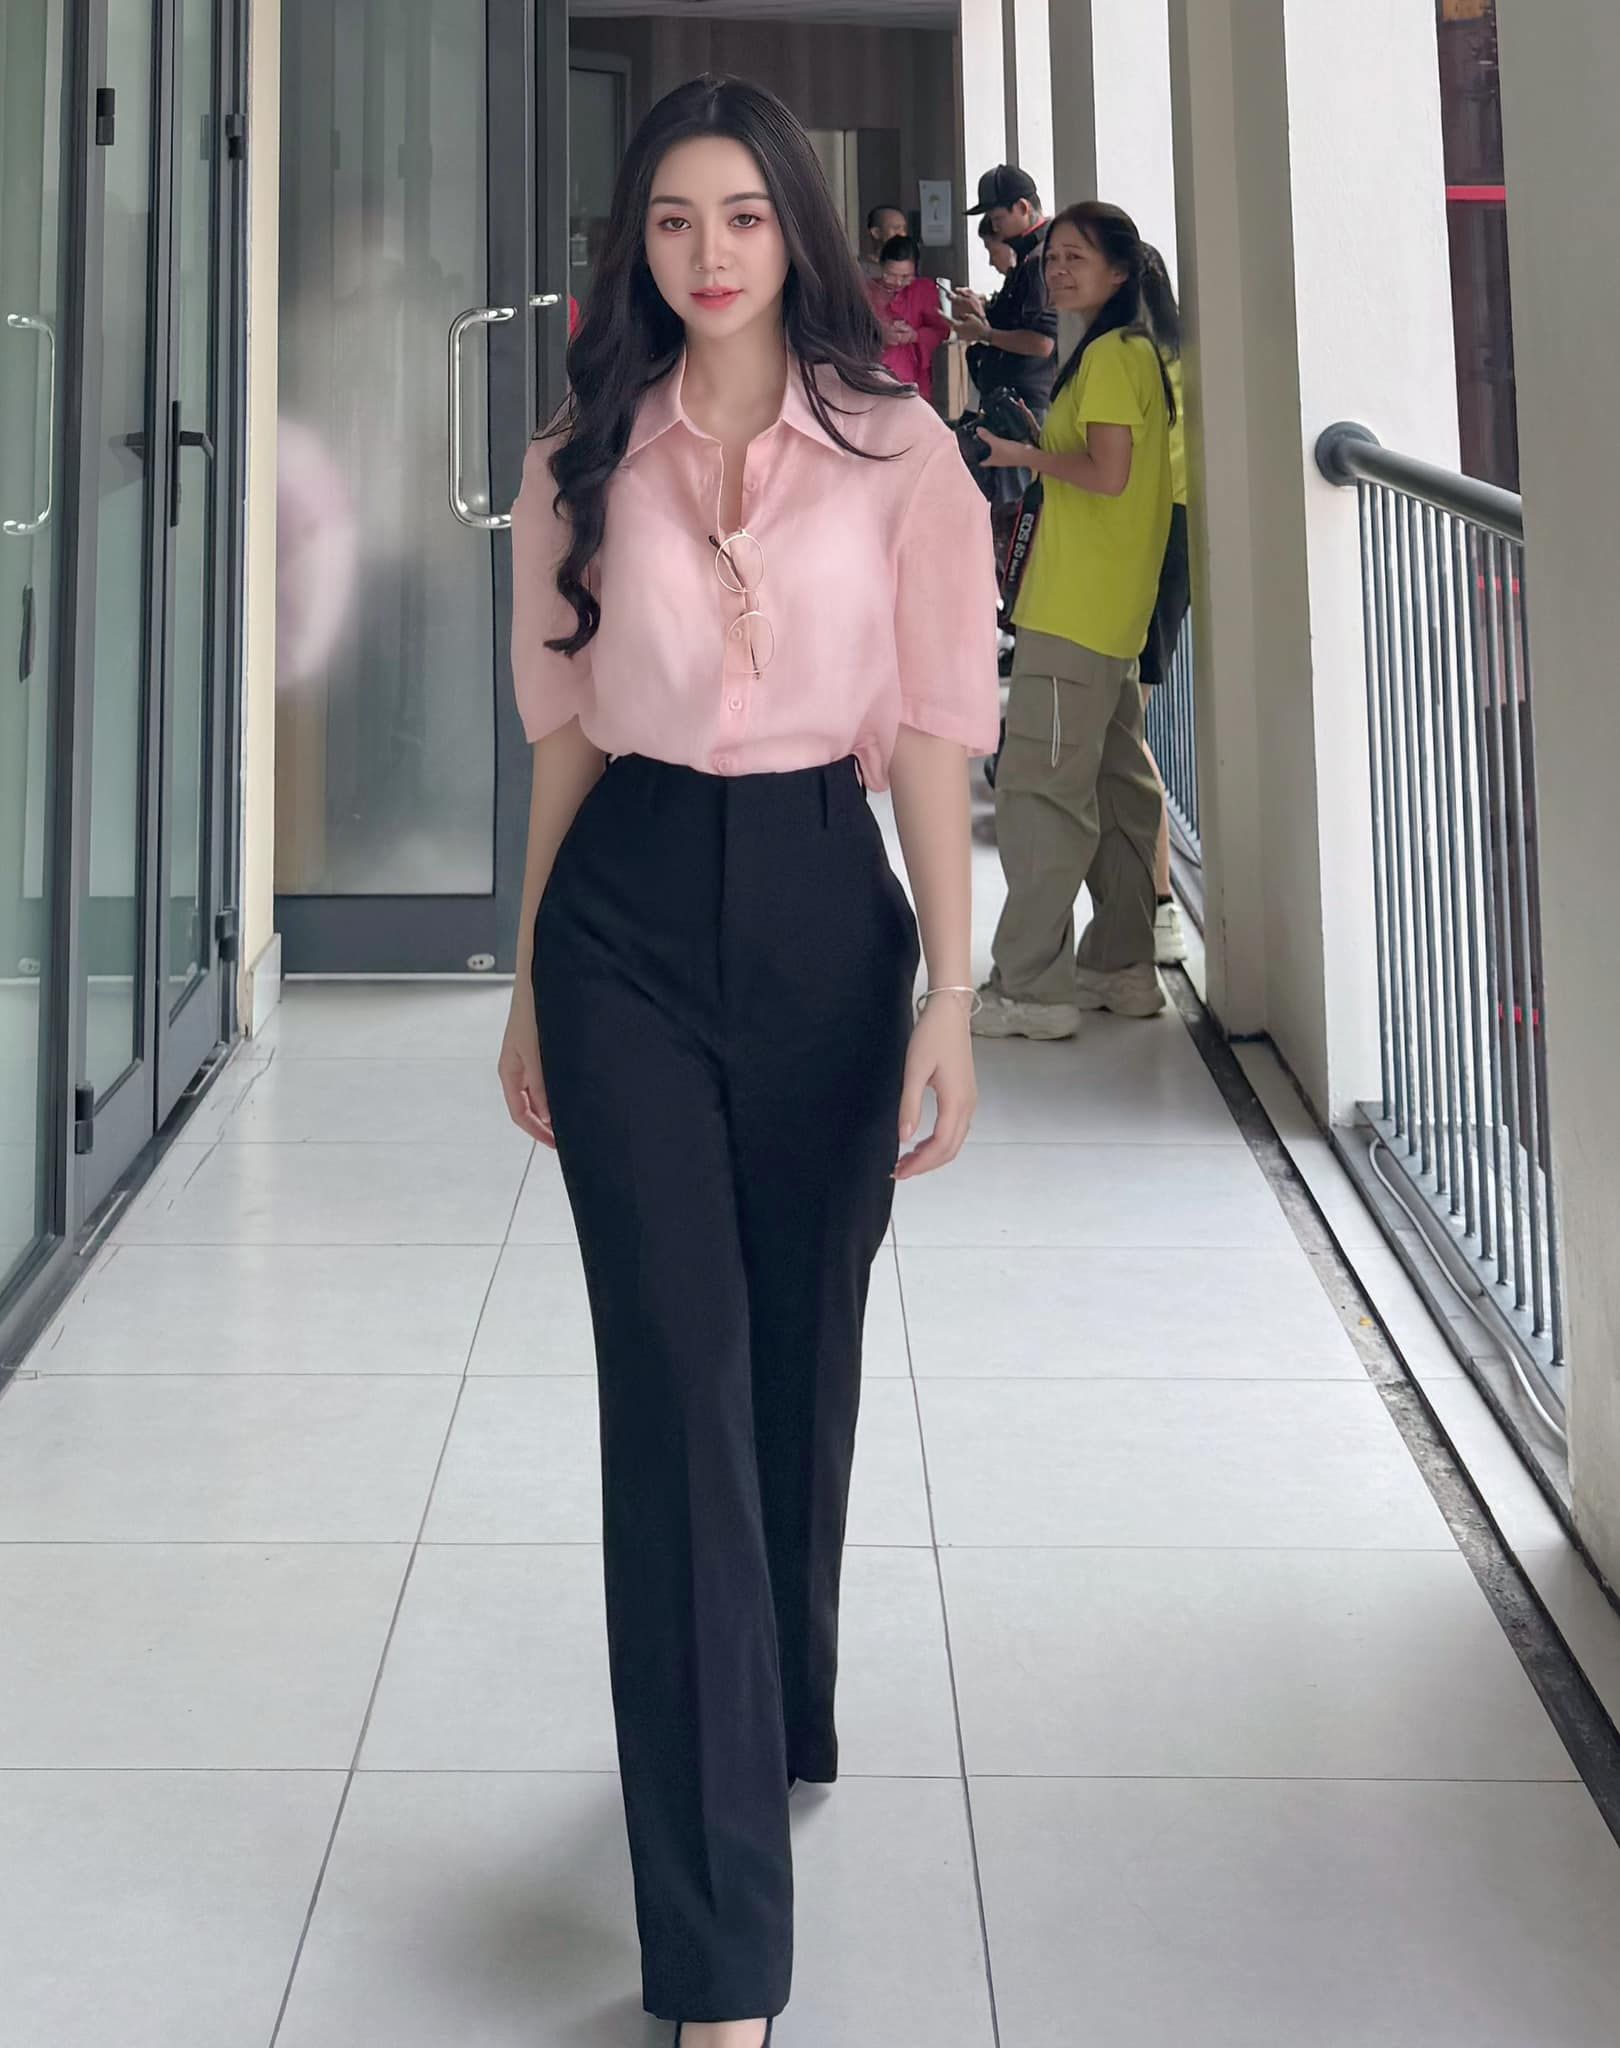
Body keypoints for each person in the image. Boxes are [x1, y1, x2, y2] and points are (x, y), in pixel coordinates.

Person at [498, 74, 1000, 2048]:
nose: (708, 254)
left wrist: (952, 988)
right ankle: (720, 1967)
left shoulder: (900, 451)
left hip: (822, 903)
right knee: (678, 1389)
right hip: (623, 917)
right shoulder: (578, 457)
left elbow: (937, 726)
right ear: (632, 244)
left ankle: (782, 1696)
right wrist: (529, 978)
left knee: (799, 1347)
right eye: (671, 220)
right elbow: (565, 735)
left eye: (743, 217)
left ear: (795, 229)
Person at [969, 200, 1176, 1039]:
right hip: (1111, 608)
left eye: (1076, 258)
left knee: (1041, 794)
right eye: (1052, 256)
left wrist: (1021, 455)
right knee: (1117, 789)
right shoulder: (1131, 350)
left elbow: (1107, 473)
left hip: (1076, 608)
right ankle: (1121, 967)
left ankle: (1030, 988)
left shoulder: (1112, 358)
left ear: (1120, 272)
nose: (1057, 269)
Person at [1133, 243, 1192, 967]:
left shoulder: (1133, 364)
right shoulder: (1185, 358)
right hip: (1170, 541)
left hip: (1145, 540)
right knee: (1126, 721)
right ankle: (1153, 900)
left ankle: (1159, 900)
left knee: (1124, 726)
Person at [951, 165, 1057, 420]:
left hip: (1026, 404)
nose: (995, 227)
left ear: (1022, 207)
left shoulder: (1038, 260)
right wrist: (983, 309)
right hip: (1011, 398)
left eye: (998, 219)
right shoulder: (1027, 256)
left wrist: (984, 334)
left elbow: (1042, 342)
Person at [866, 232, 950, 399]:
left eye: (906, 276)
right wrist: (879, 333)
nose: (898, 282)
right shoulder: (866, 290)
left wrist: (914, 336)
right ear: (880, 265)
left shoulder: (923, 290)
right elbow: (849, 329)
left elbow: (941, 330)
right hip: (872, 370)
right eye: (890, 275)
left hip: (912, 374)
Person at [860, 200, 908, 278]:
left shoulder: (909, 266)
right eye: (896, 228)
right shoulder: (859, 269)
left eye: (904, 229)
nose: (903, 234)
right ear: (876, 233)